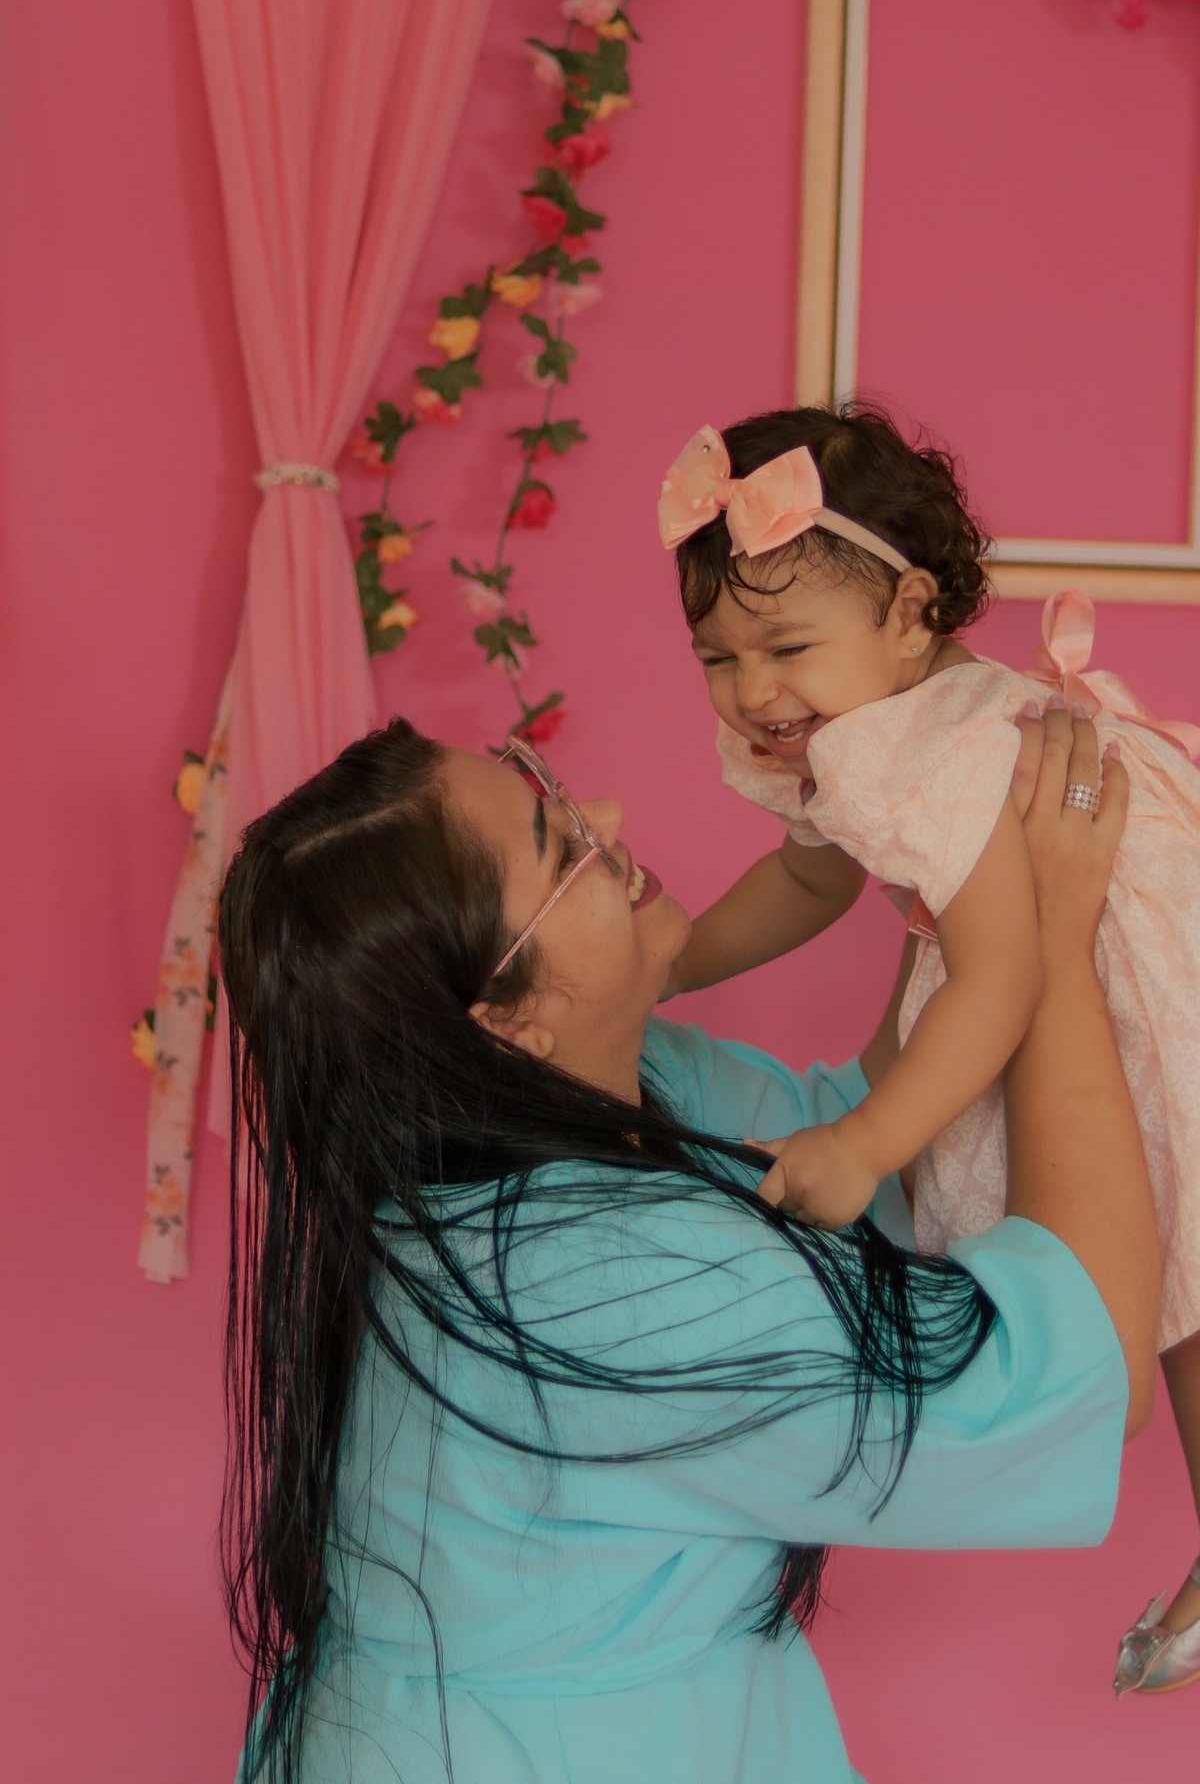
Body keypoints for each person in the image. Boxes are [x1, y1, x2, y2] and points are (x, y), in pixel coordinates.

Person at [219, 704, 1156, 1784]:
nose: (607, 817)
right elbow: (1086, 1362)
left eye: (546, 787)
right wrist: (1058, 943)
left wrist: (960, 876)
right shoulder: (622, 1288)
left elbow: (863, 1139)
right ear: (504, 1023)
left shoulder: (547, 1109)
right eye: (559, 847)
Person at [659, 401, 1200, 1691]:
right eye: (718, 656)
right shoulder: (879, 720)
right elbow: (809, 880)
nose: (754, 691)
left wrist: (866, 1142)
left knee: (1178, 1237)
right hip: (1110, 917)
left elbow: (1005, 974)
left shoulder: (909, 744)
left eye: (787, 646)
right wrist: (668, 962)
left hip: (1130, 941)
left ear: (909, 611)